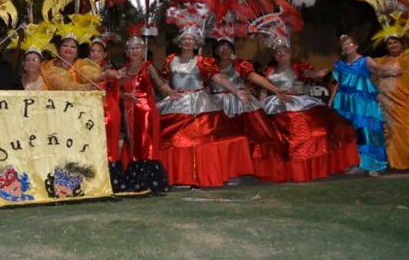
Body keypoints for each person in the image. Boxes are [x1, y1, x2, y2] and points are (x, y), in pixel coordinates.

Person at [156, 30, 254, 188]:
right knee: (175, 140)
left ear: (196, 44)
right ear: (180, 42)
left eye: (191, 39)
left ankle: (207, 174)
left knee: (207, 140)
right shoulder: (170, 60)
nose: (188, 42)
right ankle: (180, 176)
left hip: (200, 103)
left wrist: (237, 91)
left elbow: (218, 77)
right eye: (185, 39)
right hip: (177, 102)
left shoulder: (203, 61)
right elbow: (163, 81)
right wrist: (169, 92)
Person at [261, 40, 361, 182]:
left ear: (290, 54)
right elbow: (265, 88)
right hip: (275, 105)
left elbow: (308, 73)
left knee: (309, 134)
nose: (281, 54)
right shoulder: (269, 70)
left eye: (284, 51)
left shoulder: (297, 67)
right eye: (278, 52)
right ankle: (284, 170)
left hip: (298, 103)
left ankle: (306, 169)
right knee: (276, 138)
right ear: (274, 56)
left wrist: (317, 74)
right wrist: (261, 102)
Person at [208, 39, 289, 181]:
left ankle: (252, 168)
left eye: (228, 47)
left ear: (233, 50)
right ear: (216, 51)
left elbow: (254, 76)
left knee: (256, 135)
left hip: (241, 103)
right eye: (221, 48)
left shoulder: (240, 64)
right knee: (222, 140)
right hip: (217, 105)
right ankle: (227, 171)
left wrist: (275, 89)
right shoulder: (209, 66)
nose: (225, 50)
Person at [331, 34, 398, 176]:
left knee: (368, 130)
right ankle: (358, 163)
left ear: (355, 46)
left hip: (364, 102)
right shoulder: (340, 65)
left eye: (350, 43)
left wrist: (389, 70)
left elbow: (377, 69)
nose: (347, 46)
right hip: (346, 102)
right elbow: (336, 84)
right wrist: (331, 101)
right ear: (342, 49)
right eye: (344, 44)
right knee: (352, 133)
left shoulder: (365, 61)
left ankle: (374, 164)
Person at [120, 36, 170, 193]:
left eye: (138, 48)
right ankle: (135, 180)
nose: (135, 51)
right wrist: (125, 96)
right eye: (132, 48)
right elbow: (117, 90)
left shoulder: (147, 66)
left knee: (146, 144)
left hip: (146, 111)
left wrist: (172, 93)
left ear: (143, 51)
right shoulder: (123, 69)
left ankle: (150, 181)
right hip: (128, 111)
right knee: (133, 144)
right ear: (127, 52)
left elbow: (159, 83)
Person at [374, 35, 409, 174]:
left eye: (395, 42)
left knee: (404, 129)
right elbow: (371, 71)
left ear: (402, 44)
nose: (392, 45)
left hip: (401, 99)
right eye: (389, 43)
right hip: (383, 99)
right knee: (386, 130)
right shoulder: (381, 60)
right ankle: (389, 162)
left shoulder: (407, 58)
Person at [88, 38, 127, 192]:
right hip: (90, 111)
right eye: (93, 51)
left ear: (104, 54)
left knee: (110, 144)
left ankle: (112, 180)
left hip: (108, 110)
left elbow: (115, 84)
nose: (96, 54)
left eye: (99, 51)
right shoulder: (82, 68)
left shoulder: (110, 69)